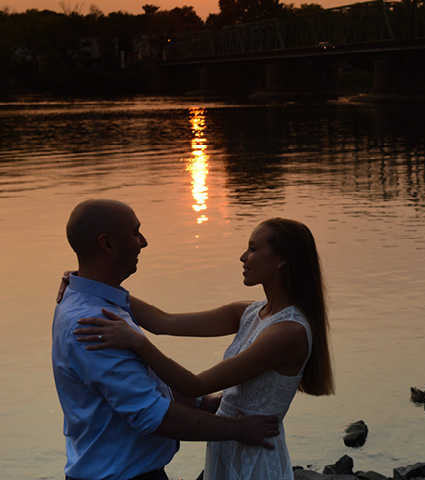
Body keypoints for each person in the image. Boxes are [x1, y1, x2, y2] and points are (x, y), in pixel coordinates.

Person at [73, 216, 335, 480]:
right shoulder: (249, 312)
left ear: (282, 259)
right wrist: (87, 284)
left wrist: (137, 342)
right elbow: (163, 321)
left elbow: (194, 385)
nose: (243, 257)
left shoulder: (287, 332)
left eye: (253, 249)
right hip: (228, 443)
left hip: (255, 454)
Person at [53, 199, 280, 480]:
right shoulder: (91, 324)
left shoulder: (97, 301)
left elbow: (163, 323)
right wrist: (238, 430)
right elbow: (152, 415)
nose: (144, 242)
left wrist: (77, 280)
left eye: (254, 248)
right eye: (136, 233)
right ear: (107, 244)